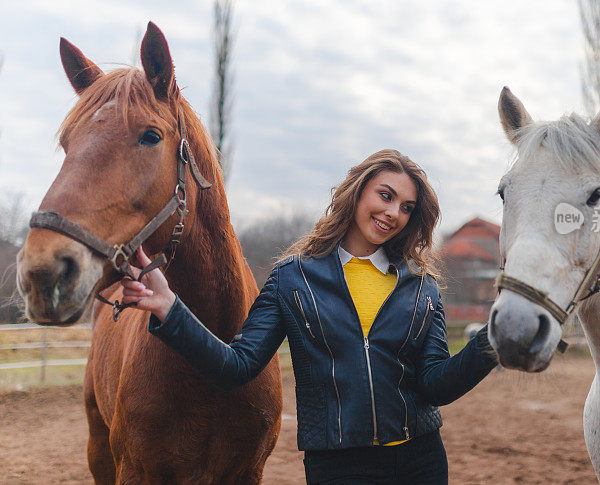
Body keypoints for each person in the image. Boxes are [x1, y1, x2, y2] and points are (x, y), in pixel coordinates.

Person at [121, 149, 497, 484]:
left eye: (407, 207)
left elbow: (436, 385)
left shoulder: (422, 286)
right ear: (358, 192)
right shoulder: (292, 279)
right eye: (386, 195)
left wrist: (491, 338)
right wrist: (170, 308)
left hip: (422, 461)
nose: (393, 213)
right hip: (339, 467)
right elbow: (234, 366)